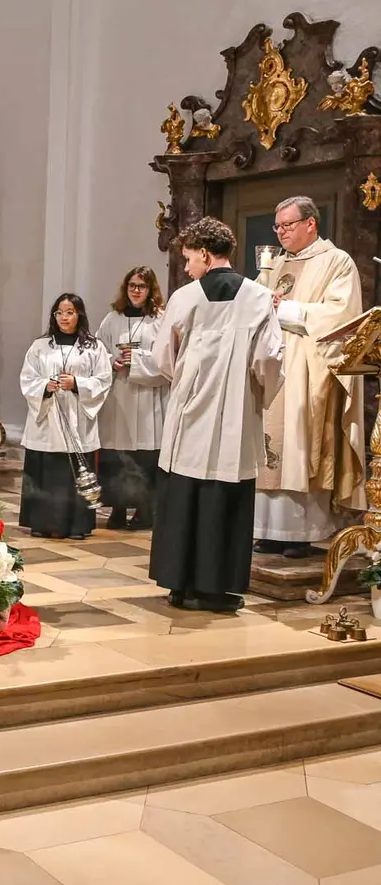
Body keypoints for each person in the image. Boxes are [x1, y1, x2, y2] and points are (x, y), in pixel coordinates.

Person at [150, 217, 284, 612]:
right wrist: (255, 392)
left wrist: (187, 379)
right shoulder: (259, 297)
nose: (188, 267)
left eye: (190, 258)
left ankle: (181, 585)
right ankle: (221, 590)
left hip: (189, 412)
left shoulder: (185, 297)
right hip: (236, 414)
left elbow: (163, 357)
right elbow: (269, 360)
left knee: (184, 494)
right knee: (227, 497)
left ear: (206, 255)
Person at [253, 196, 366, 558]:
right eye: (277, 226)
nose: (281, 232)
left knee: (298, 442)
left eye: (287, 225)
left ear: (310, 224)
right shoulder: (275, 263)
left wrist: (282, 308)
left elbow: (341, 316)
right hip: (272, 367)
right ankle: (268, 529)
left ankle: (301, 532)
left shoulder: (337, 262)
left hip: (307, 368)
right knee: (267, 442)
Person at [18, 293, 112, 540]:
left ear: (79, 314)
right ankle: (41, 522)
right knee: (46, 470)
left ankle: (75, 525)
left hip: (77, 418)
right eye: (59, 312)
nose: (64, 317)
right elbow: (27, 378)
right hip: (47, 421)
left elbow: (103, 380)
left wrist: (77, 383)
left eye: (69, 312)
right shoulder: (40, 346)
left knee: (72, 471)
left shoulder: (93, 347)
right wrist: (45, 387)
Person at [95, 267, 168, 531]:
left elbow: (167, 358)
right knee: (117, 456)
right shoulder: (112, 319)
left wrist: (136, 361)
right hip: (119, 395)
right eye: (132, 286)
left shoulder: (160, 320)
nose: (136, 291)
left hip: (148, 397)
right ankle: (117, 506)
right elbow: (96, 351)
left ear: (151, 291)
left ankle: (144, 509)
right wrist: (110, 361)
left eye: (142, 286)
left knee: (144, 457)